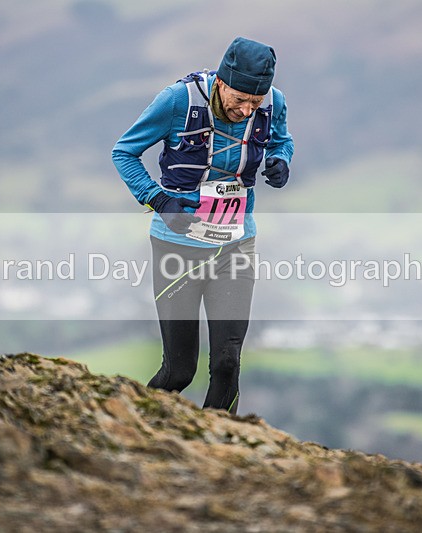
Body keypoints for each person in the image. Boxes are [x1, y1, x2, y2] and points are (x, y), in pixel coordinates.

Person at [112, 36, 294, 414]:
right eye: (239, 99)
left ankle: (219, 452)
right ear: (222, 81)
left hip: (236, 245)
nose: (246, 111)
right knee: (179, 371)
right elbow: (124, 152)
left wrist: (281, 160)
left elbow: (281, 141)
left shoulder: (274, 102)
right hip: (177, 247)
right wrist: (159, 200)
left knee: (227, 363)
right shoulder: (178, 100)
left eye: (254, 103)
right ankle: (136, 429)